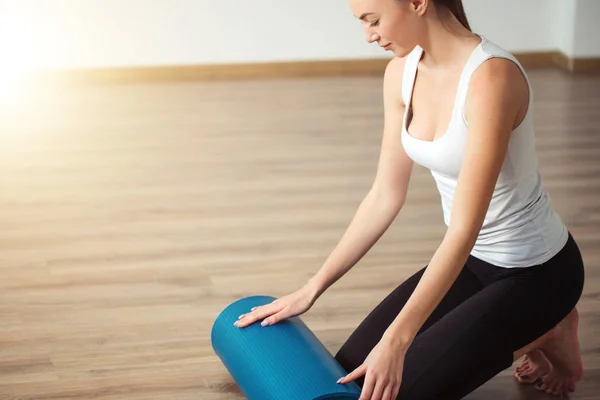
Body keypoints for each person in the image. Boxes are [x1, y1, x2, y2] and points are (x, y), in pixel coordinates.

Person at [233, 0, 585, 399]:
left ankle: (548, 327)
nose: (369, 35)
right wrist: (313, 287)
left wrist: (397, 342)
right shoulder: (401, 72)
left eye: (373, 20)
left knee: (392, 390)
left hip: (537, 273)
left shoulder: (491, 79)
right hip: (472, 262)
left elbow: (464, 229)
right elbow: (385, 194)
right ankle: (536, 331)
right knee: (348, 372)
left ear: (418, 3)